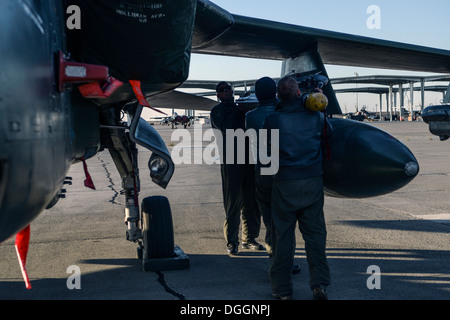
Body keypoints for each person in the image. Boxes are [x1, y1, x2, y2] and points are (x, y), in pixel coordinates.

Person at [264, 75, 332, 300]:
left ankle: (281, 290)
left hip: (285, 183)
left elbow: (265, 154)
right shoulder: (316, 117)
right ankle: (319, 285)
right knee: (315, 236)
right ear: (297, 94)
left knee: (282, 237)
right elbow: (329, 135)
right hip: (312, 181)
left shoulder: (272, 120)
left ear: (278, 96)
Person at [211, 81, 263, 255]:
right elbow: (225, 127)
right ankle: (232, 241)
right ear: (218, 94)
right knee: (233, 203)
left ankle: (249, 239)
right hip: (231, 162)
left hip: (250, 160)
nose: (227, 92)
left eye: (229, 90)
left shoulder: (242, 109)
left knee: (252, 203)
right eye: (223, 90)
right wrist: (239, 111)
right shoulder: (217, 111)